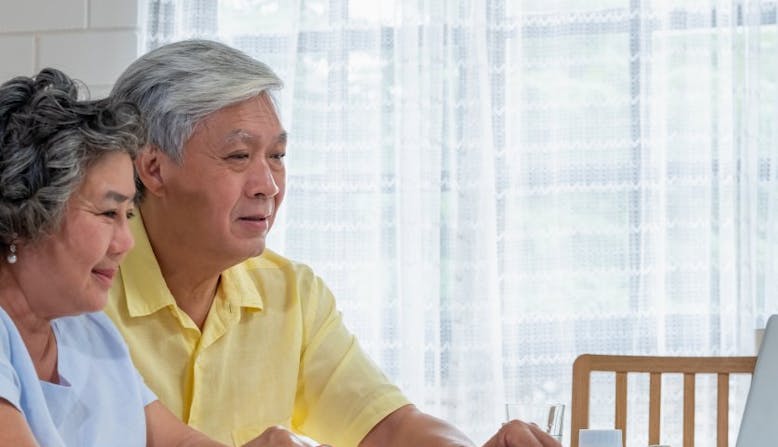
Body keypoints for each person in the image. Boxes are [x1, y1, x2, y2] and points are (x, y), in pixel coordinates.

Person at [105, 39, 561, 447]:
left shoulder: (291, 294)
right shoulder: (80, 293)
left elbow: (390, 427)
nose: (268, 185)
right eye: (239, 156)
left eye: (277, 157)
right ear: (154, 169)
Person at [0, 68, 318, 447]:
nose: (125, 242)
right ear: (22, 214)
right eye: (107, 214)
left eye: (128, 216)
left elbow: (177, 442)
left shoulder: (91, 334)